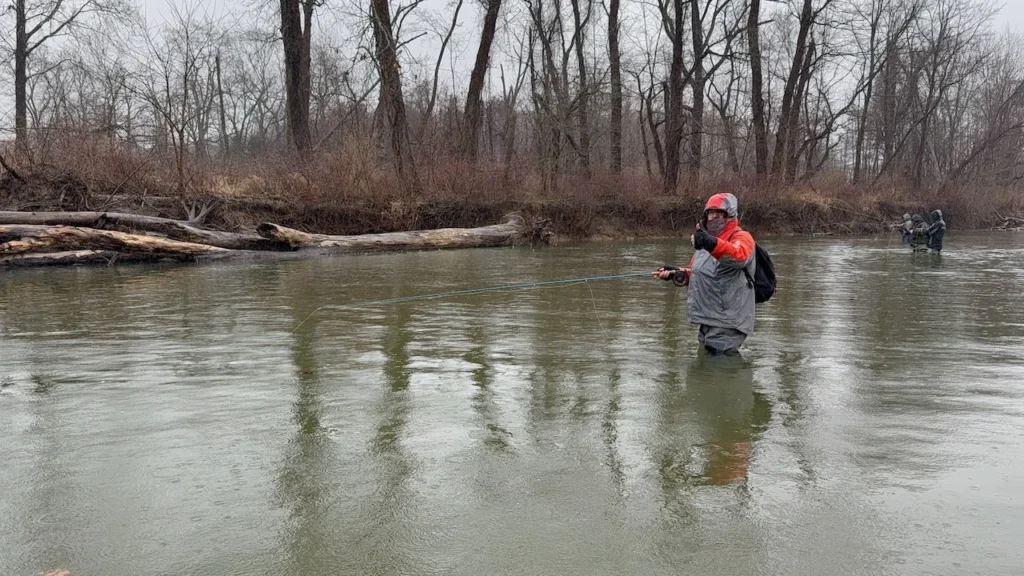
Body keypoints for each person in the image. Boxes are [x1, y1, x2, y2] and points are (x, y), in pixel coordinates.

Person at [653, 192, 756, 356]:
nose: (713, 217)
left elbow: (739, 256)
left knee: (720, 367)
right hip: (707, 317)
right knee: (706, 363)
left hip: (728, 319)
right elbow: (698, 274)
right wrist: (676, 273)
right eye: (710, 213)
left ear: (729, 215)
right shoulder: (705, 241)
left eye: (718, 213)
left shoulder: (741, 237)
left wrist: (711, 244)